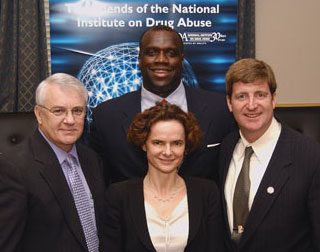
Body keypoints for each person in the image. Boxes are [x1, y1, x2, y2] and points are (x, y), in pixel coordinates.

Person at [90, 25, 234, 184]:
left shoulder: (220, 109)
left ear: (182, 60)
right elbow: (99, 184)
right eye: (152, 53)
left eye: (171, 53)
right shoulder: (106, 116)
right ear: (139, 59)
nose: (161, 60)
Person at [219, 58, 320, 251]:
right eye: (241, 96)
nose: (251, 105)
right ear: (229, 103)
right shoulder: (226, 147)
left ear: (273, 99)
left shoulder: (311, 157)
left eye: (260, 95)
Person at [0, 73, 105, 251]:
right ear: (39, 114)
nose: (70, 120)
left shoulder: (91, 159)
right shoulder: (13, 169)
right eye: (59, 111)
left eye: (77, 111)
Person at [102, 102, 226, 251]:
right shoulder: (118, 195)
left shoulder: (207, 192)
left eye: (176, 143)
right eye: (158, 143)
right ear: (144, 144)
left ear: (186, 146)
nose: (168, 152)